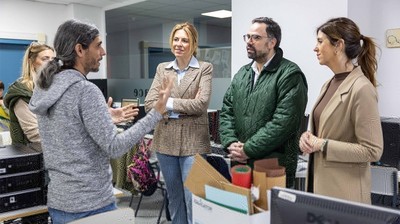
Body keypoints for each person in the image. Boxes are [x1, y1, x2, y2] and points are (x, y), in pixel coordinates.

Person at [28, 19, 174, 224]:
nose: (103, 52)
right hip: (91, 206)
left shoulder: (46, 87)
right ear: (80, 49)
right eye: (98, 45)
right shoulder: (85, 90)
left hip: (60, 203)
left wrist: (105, 117)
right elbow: (115, 147)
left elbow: (70, 130)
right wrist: (156, 114)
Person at [299, 17, 383, 204]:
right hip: (319, 187)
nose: (315, 47)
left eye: (320, 42)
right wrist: (308, 137)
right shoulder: (329, 84)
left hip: (345, 195)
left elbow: (372, 151)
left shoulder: (361, 88)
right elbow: (325, 132)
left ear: (339, 45)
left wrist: (322, 144)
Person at [219, 17, 308, 188]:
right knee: (241, 212)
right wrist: (230, 143)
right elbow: (227, 112)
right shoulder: (242, 74)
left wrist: (248, 149)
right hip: (241, 165)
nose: (249, 42)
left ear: (272, 42)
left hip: (273, 166)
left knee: (270, 214)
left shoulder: (290, 74)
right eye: (247, 37)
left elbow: (283, 123)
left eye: (256, 38)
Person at [144, 22, 213, 224]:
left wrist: (167, 102)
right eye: (176, 39)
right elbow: (149, 104)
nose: (179, 44)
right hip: (165, 141)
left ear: (193, 44)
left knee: (194, 199)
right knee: (174, 198)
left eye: (185, 40)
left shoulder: (204, 69)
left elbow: (201, 104)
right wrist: (185, 106)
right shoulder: (162, 69)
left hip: (194, 142)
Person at [3, 42, 54, 145]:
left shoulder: (53, 88)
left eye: (53, 59)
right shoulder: (22, 92)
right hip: (33, 154)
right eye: (45, 59)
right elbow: (35, 134)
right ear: (32, 62)